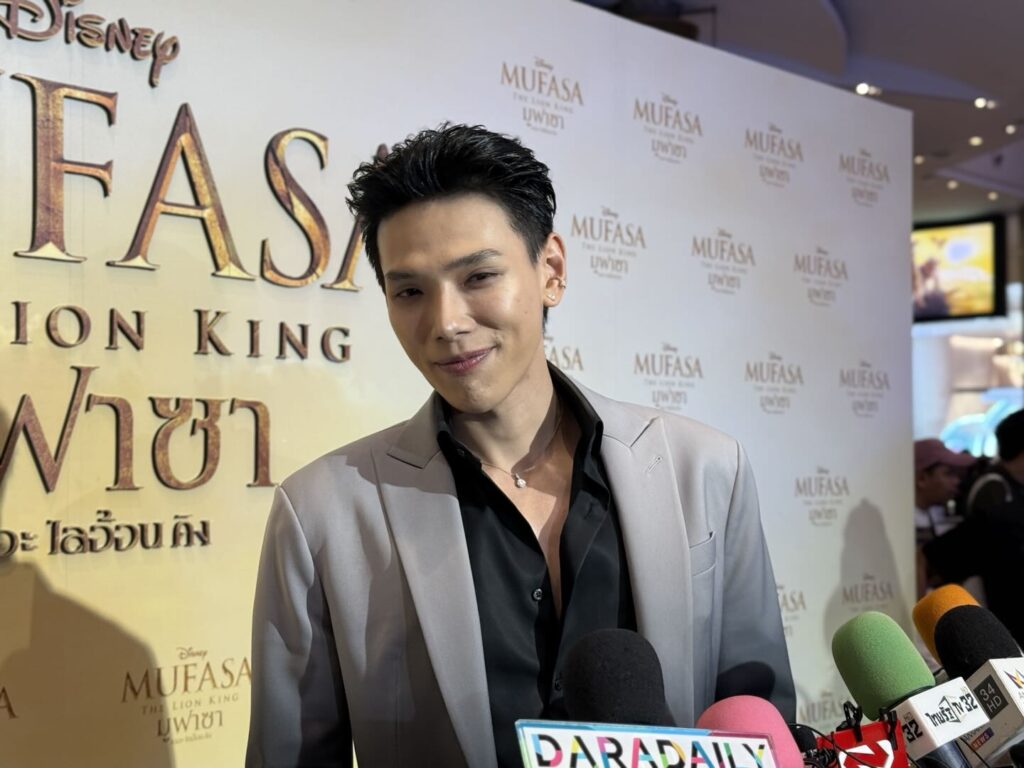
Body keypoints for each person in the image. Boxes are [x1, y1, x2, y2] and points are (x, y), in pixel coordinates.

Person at [246, 124, 794, 768]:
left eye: (478, 276)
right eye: (410, 291)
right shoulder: (323, 514)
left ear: (551, 270)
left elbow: (760, 723)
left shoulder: (703, 470)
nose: (446, 322)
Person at [925, 410, 1024, 643]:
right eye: (947, 473)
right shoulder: (995, 489)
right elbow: (948, 555)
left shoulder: (1009, 488)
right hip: (1001, 627)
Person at [912, 439, 973, 598]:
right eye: (948, 473)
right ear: (922, 478)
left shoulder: (930, 516)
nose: (956, 481)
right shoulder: (900, 525)